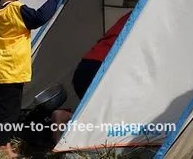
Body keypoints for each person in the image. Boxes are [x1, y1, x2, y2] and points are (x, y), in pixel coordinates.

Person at [0, 0, 67, 158]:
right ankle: (2, 148)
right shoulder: (18, 10)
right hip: (12, 71)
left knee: (3, 110)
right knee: (9, 113)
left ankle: (3, 145)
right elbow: (41, 16)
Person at [49, 10, 133, 143]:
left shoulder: (134, 12)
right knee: (108, 117)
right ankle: (69, 124)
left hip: (87, 65)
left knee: (97, 114)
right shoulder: (150, 17)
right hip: (103, 67)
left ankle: (66, 118)